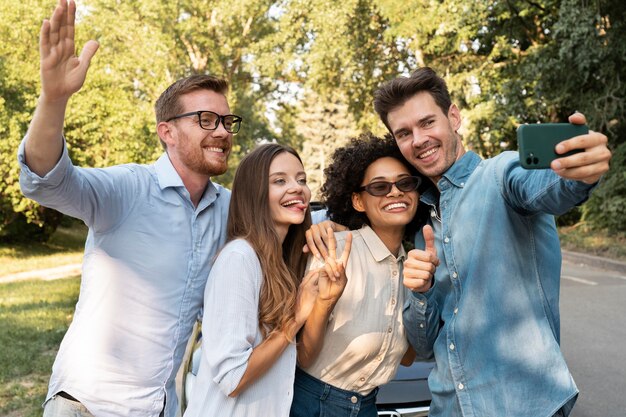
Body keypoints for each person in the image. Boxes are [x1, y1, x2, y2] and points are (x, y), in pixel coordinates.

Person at [18, 1, 241, 415]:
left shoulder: (230, 209)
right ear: (167, 132)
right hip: (87, 405)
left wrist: (329, 229)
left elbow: (287, 229)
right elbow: (47, 178)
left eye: (228, 122)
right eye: (207, 120)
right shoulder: (128, 188)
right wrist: (53, 98)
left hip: (159, 408)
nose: (223, 132)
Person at [372, 67, 612, 417]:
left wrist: (581, 174)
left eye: (427, 123)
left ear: (453, 117)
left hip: (522, 407)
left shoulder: (501, 175)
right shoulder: (424, 228)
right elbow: (423, 348)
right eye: (404, 133)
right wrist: (420, 293)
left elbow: (551, 187)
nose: (418, 139)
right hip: (448, 408)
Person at [290, 134, 429, 417]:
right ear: (357, 201)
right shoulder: (332, 250)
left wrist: (423, 295)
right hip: (312, 403)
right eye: (379, 187)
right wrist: (324, 303)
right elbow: (303, 354)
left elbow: (407, 358)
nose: (395, 193)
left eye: (405, 183)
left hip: (367, 406)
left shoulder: (413, 268)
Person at [183, 143, 323, 417]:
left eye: (301, 179)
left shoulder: (284, 261)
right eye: (279, 181)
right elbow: (232, 378)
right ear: (255, 194)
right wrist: (296, 318)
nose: (297, 188)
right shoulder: (240, 258)